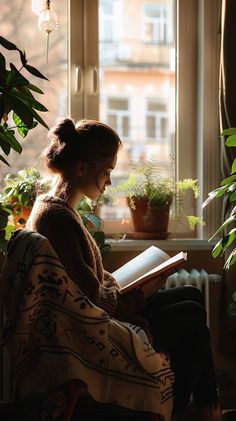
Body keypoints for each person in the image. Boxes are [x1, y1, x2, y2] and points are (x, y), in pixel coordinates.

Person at [26, 117, 223, 421]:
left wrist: (130, 288)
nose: (108, 182)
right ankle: (185, 408)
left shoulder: (56, 209)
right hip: (96, 330)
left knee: (191, 296)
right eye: (106, 172)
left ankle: (205, 407)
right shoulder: (59, 219)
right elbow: (92, 302)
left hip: (102, 311)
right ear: (81, 169)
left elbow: (88, 281)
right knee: (192, 316)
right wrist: (140, 294)